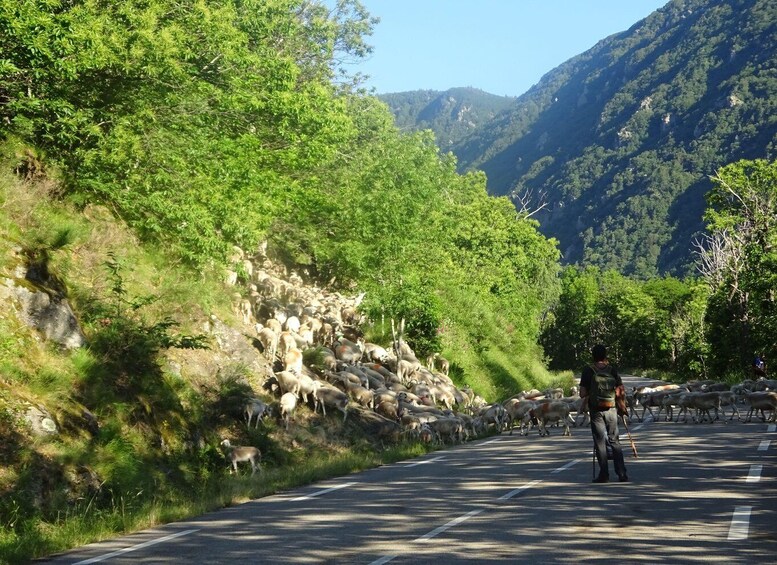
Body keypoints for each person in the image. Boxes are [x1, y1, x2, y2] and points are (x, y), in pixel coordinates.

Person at [580, 344, 629, 483]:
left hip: (596, 411)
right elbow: (620, 390)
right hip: (611, 409)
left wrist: (591, 393)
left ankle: (604, 475)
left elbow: (582, 393)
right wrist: (621, 406)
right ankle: (621, 473)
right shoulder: (612, 370)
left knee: (600, 441)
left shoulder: (588, 371)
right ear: (605, 356)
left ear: (593, 356)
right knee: (615, 440)